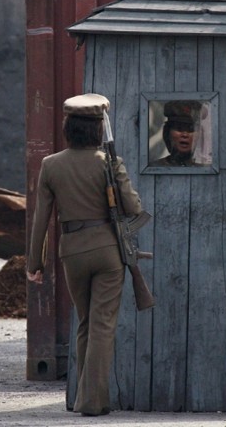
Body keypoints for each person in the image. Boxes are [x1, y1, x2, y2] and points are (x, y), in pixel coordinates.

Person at [26, 93, 142, 417]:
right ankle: (93, 402)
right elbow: (134, 208)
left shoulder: (50, 165)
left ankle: (84, 398)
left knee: (85, 323)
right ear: (96, 130)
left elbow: (41, 219)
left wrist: (35, 264)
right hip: (107, 251)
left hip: (72, 252)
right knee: (102, 325)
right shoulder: (108, 162)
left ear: (67, 128)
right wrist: (116, 177)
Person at [151, 100, 206, 167]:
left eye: (191, 129)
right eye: (179, 128)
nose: (185, 135)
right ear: (167, 132)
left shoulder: (206, 172)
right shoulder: (153, 168)